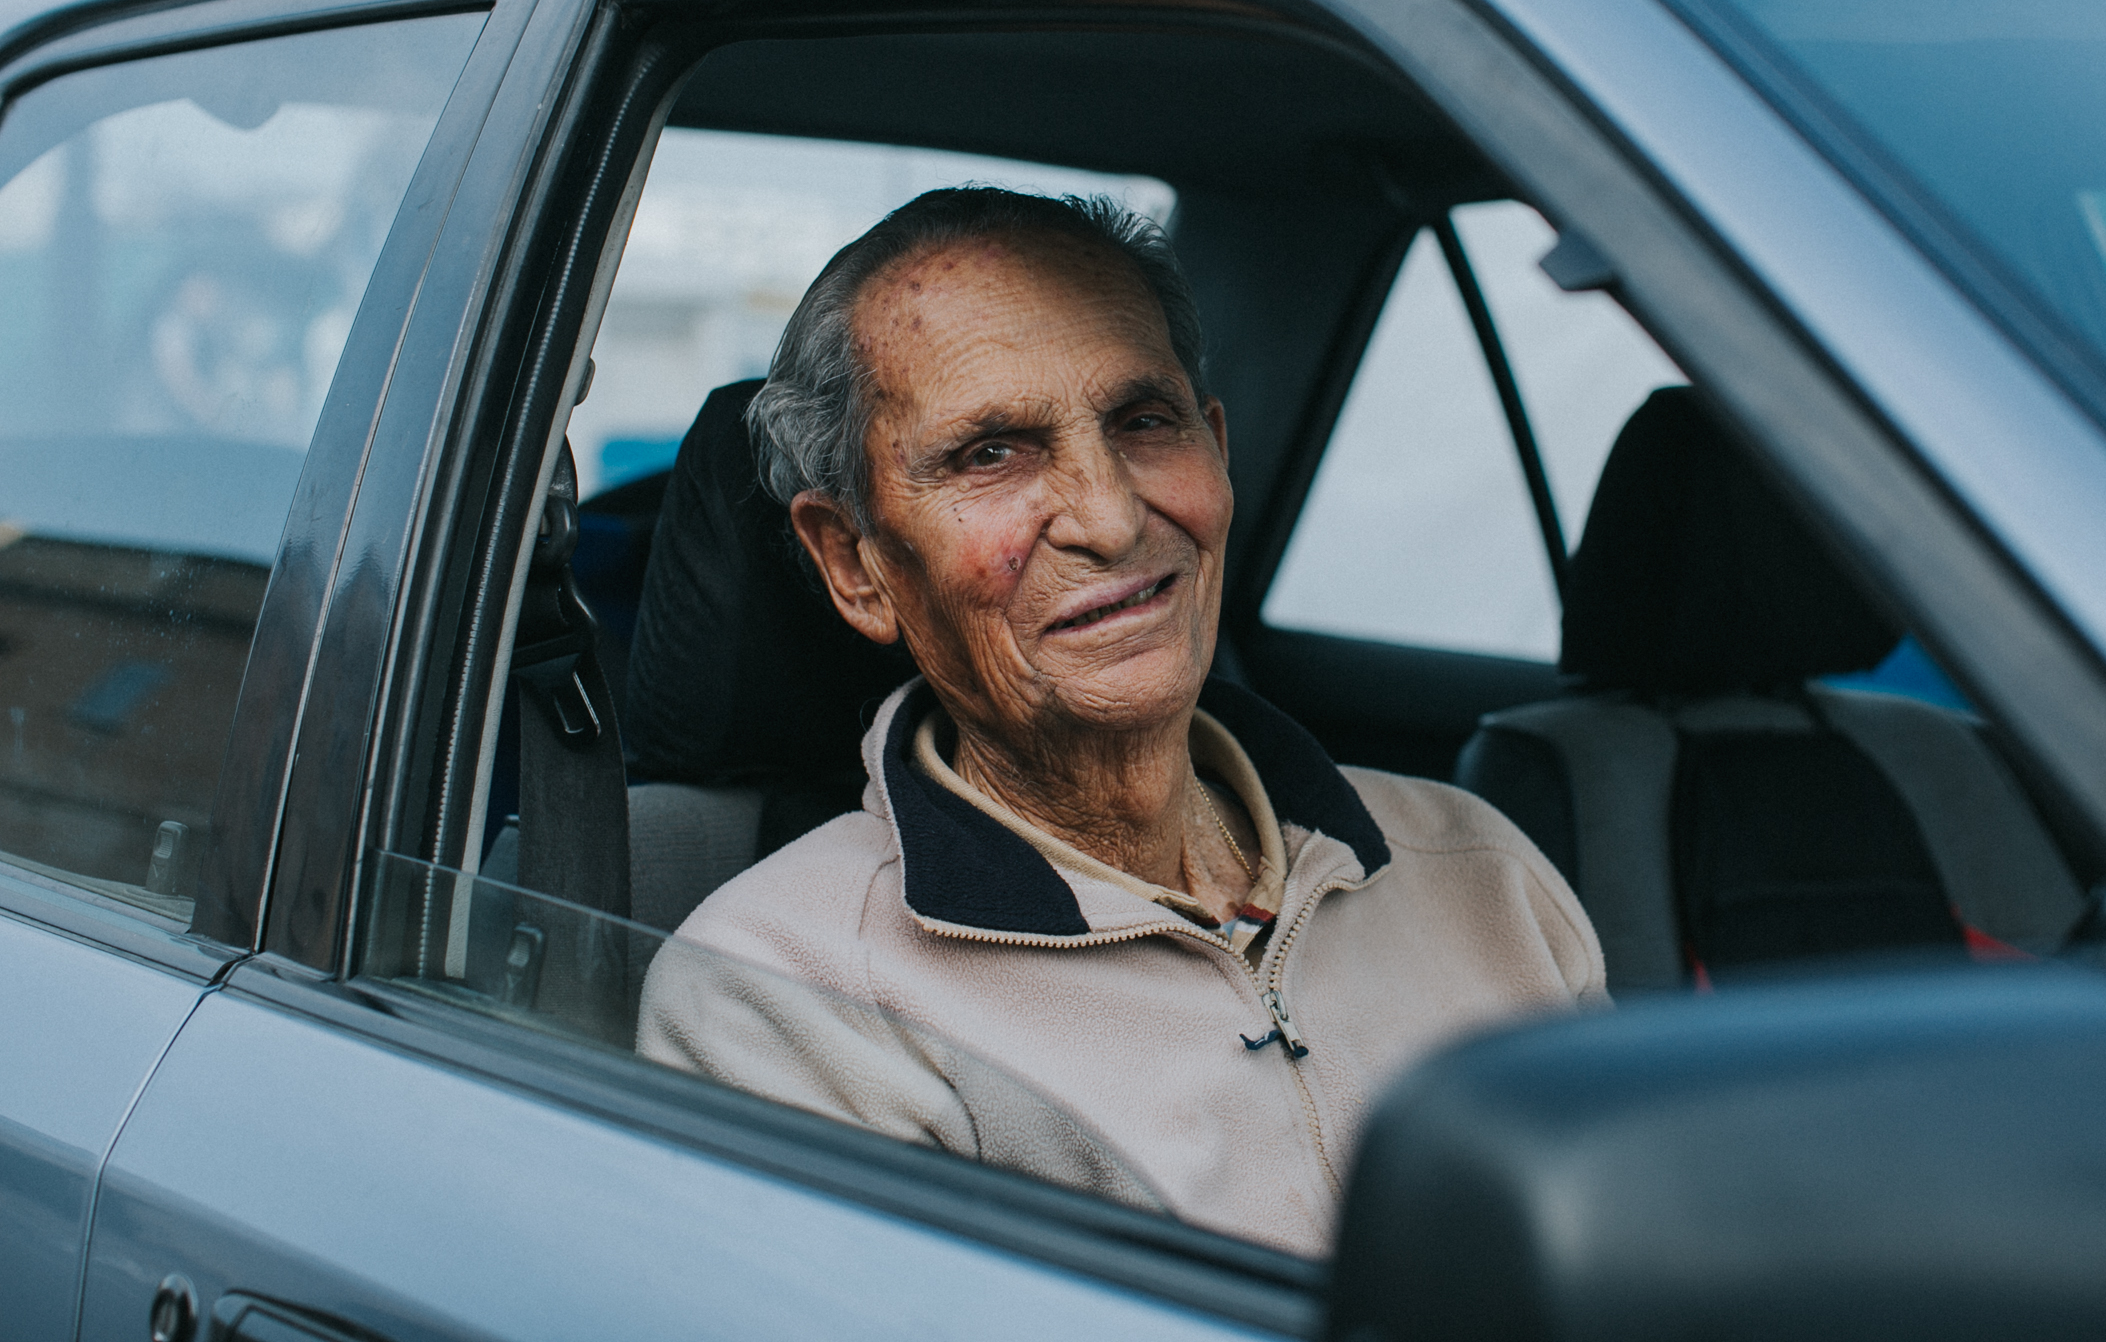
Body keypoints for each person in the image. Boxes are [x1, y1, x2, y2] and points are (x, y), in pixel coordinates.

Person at [637, 187, 1604, 1256]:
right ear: (854, 562)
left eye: (1144, 422)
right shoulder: (782, 997)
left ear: (1217, 454)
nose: (1108, 516)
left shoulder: (1479, 868)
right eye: (989, 453)